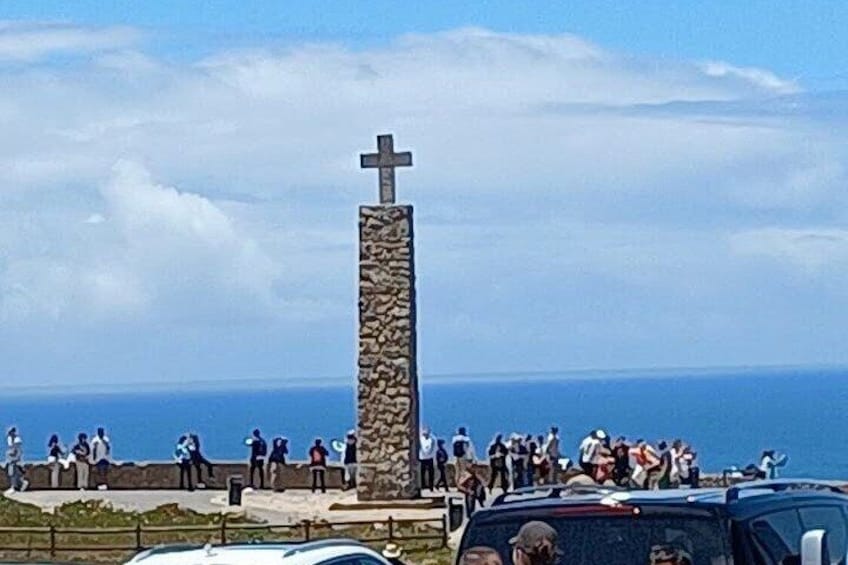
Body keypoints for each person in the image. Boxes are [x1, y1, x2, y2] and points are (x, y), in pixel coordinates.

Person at [5, 428, 28, 493]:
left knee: (13, 475)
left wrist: (14, 459)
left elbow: (18, 454)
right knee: (12, 475)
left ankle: (14, 486)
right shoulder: (11, 441)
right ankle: (17, 485)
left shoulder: (16, 442)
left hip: (14, 462)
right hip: (11, 462)